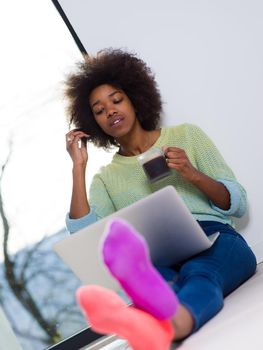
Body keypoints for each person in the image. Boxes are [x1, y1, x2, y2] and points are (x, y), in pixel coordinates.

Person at [64, 48, 257, 347]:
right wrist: (79, 168)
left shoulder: (186, 135)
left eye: (116, 100)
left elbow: (238, 203)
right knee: (159, 278)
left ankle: (172, 323)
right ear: (95, 123)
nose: (110, 111)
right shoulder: (105, 178)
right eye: (99, 110)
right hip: (159, 256)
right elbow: (84, 235)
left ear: (134, 99)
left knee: (199, 272)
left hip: (216, 238)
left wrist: (191, 173)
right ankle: (148, 315)